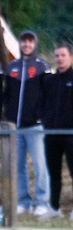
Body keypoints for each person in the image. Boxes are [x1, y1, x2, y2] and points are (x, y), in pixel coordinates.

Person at [0, 29, 53, 217]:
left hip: (35, 125)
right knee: (18, 164)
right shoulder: (12, 67)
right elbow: (6, 94)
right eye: (24, 42)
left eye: (30, 42)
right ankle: (23, 200)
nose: (27, 45)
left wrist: (42, 116)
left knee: (40, 164)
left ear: (35, 44)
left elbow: (49, 95)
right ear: (20, 44)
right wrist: (8, 112)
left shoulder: (42, 66)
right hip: (16, 126)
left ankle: (43, 202)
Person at [39, 44, 73, 221]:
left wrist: (71, 122)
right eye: (57, 56)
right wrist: (45, 120)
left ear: (71, 57)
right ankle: (54, 207)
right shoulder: (49, 81)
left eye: (63, 55)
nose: (59, 58)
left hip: (70, 135)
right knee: (54, 172)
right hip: (52, 134)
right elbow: (42, 103)